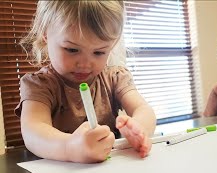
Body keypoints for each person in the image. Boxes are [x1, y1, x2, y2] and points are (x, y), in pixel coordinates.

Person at [14, 1, 156, 163]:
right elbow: (33, 131)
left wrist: (139, 129)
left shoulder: (115, 77)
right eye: (72, 50)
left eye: (99, 52)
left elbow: (142, 108)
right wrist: (70, 148)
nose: (85, 64)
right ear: (46, 35)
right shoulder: (40, 85)